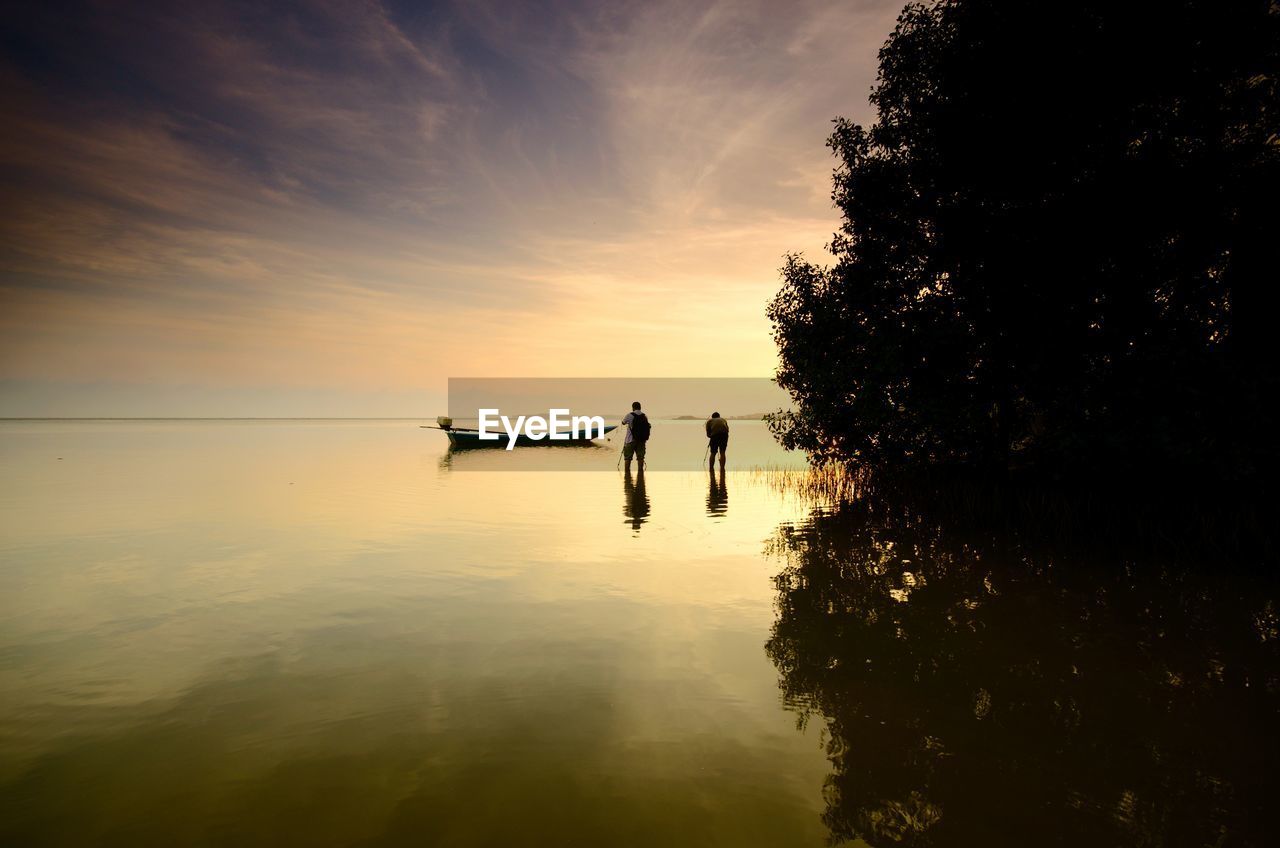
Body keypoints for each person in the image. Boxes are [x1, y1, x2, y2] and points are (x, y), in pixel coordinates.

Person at [621, 401, 650, 471]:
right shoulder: (644, 416)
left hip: (630, 440)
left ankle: (627, 476)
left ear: (633, 408)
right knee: (640, 458)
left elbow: (623, 422)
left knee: (628, 458)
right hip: (641, 440)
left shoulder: (629, 415)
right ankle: (640, 475)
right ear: (640, 407)